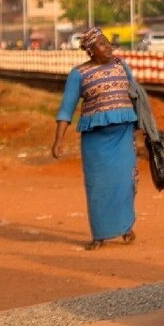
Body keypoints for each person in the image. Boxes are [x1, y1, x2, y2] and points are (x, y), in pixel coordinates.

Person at [52, 27, 141, 251]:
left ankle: (125, 227)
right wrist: (58, 140)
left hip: (123, 134)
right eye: (102, 44)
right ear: (91, 51)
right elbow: (66, 109)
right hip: (96, 141)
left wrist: (146, 128)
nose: (108, 47)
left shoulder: (122, 66)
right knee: (98, 187)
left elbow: (138, 96)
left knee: (125, 183)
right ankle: (99, 235)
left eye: (108, 42)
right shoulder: (78, 74)